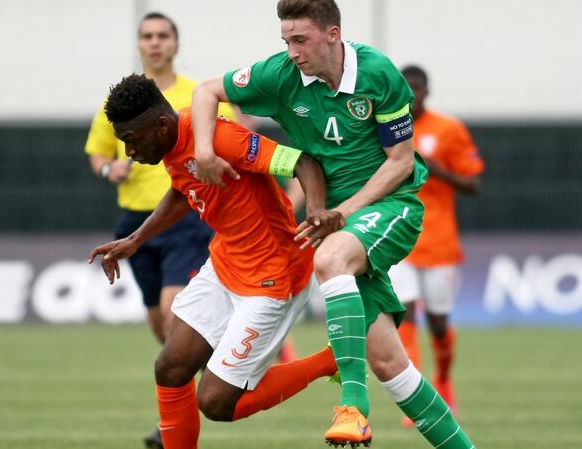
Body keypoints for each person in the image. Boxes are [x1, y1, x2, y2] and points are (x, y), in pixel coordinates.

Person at [189, 1, 477, 448]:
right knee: (390, 364)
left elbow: (400, 164)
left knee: (329, 257)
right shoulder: (279, 75)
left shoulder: (378, 74)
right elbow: (206, 92)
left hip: (390, 204)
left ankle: (353, 408)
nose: (292, 52)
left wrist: (346, 210)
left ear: (332, 34)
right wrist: (205, 152)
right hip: (339, 222)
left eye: (300, 40)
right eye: (286, 41)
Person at [89, 74, 343, 449]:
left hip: (272, 277)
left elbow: (302, 162)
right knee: (170, 368)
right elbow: (182, 189)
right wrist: (136, 239)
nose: (128, 152)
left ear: (160, 125)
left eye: (130, 140)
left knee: (216, 402)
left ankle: (333, 359)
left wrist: (318, 210)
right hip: (226, 264)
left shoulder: (221, 138)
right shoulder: (170, 144)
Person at [83, 13, 247, 448]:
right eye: (147, 36)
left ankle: (185, 412)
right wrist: (109, 170)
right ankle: (184, 402)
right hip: (135, 220)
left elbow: (236, 130)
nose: (155, 43)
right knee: (161, 325)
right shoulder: (118, 105)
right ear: (140, 44)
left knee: (178, 313)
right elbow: (97, 154)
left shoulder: (198, 94)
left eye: (163, 36)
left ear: (175, 44)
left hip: (188, 218)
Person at [388, 65, 485, 426]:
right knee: (406, 312)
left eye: (417, 89)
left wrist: (436, 170)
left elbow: (474, 185)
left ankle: (444, 379)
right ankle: (420, 397)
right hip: (399, 238)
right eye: (406, 90)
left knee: (440, 323)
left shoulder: (448, 130)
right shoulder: (386, 129)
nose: (412, 97)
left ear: (428, 91)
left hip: (440, 241)